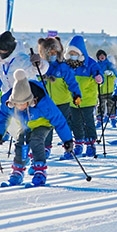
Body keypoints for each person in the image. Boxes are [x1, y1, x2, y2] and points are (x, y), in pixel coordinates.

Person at [0, 69, 74, 187]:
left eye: (22, 104)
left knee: (36, 140)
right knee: (20, 142)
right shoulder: (7, 101)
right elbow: (2, 117)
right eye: (17, 104)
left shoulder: (43, 102)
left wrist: (67, 140)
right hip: (25, 124)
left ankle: (40, 171)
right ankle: (17, 171)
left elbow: (59, 121)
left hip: (43, 124)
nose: (19, 107)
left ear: (30, 101)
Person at [35, 36, 81, 164]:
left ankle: (68, 148)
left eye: (55, 52)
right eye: (50, 52)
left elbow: (72, 82)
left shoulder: (64, 68)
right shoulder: (40, 67)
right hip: (46, 102)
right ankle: (46, 147)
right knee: (45, 125)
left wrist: (76, 94)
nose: (52, 55)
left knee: (63, 124)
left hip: (62, 101)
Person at [95, 49, 117, 129]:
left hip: (110, 88)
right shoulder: (96, 65)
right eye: (100, 56)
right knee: (100, 105)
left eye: (103, 55)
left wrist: (112, 74)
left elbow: (116, 75)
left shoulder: (110, 65)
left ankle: (112, 119)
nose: (102, 57)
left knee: (110, 105)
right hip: (100, 89)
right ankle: (99, 120)